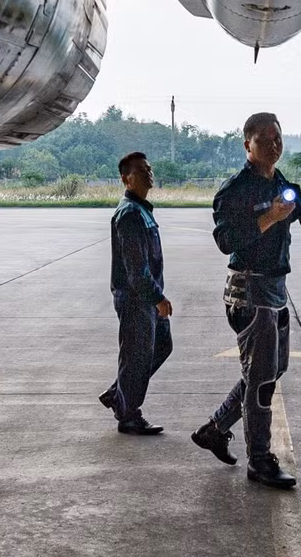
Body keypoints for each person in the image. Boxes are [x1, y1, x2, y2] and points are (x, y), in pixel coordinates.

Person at [191, 112, 301, 488]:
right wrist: (271, 218)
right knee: (261, 382)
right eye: (265, 139)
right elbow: (226, 240)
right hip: (250, 291)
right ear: (247, 145)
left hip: (275, 290)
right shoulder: (235, 190)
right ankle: (260, 460)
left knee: (270, 371)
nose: (274, 145)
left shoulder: (279, 182)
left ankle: (216, 428)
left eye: (278, 138)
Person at [99, 152, 173, 435]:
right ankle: (129, 415)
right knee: (137, 356)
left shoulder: (141, 210)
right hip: (136, 298)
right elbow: (136, 269)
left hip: (144, 297)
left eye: (149, 168)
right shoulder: (130, 214)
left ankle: (119, 394)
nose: (148, 173)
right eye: (141, 171)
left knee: (161, 346)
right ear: (125, 179)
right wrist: (157, 298)